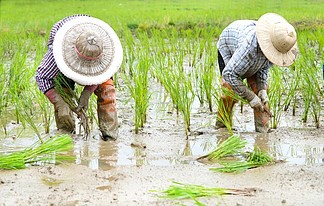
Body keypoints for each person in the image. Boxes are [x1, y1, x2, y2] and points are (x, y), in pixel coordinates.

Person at [35, 14, 123, 140]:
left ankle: (110, 137)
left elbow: (101, 74)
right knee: (62, 96)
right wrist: (59, 101)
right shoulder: (58, 54)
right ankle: (66, 137)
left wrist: (87, 92)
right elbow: (41, 77)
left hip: (95, 50)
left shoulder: (103, 48)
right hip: (64, 65)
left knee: (107, 91)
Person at [216, 13, 298, 133]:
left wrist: (261, 89)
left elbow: (264, 67)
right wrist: (250, 97)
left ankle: (262, 130)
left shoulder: (278, 45)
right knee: (230, 90)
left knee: (260, 90)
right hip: (229, 45)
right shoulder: (248, 48)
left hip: (251, 50)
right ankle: (222, 125)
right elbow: (229, 74)